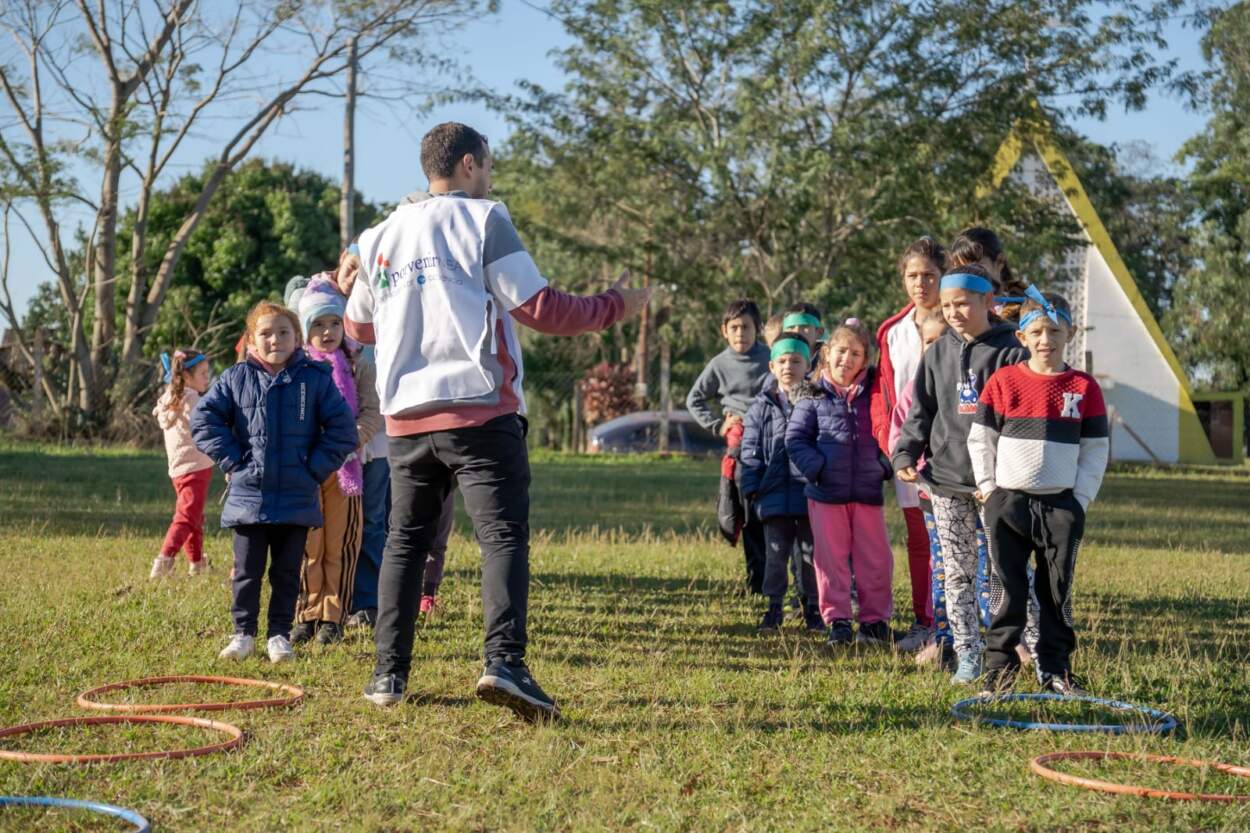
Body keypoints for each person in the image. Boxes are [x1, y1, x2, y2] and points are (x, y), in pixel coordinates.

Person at [342, 122, 650, 720]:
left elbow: (357, 329)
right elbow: (541, 307)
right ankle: (504, 662)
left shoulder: (380, 233)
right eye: (486, 165)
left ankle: (388, 674)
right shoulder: (484, 220)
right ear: (465, 165)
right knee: (502, 538)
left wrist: (416, 318)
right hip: (479, 406)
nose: (490, 177)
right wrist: (617, 306)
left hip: (407, 417)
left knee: (404, 543)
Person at [192, 300, 358, 663]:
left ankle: (279, 635)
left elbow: (343, 430)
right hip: (249, 496)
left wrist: (314, 468)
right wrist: (234, 460)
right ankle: (243, 634)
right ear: (251, 340)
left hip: (297, 497)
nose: (275, 340)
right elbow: (204, 422)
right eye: (265, 333)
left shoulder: (315, 378)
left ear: (297, 338)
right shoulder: (235, 378)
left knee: (287, 573)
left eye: (283, 332)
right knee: (247, 573)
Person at [892, 265, 1029, 684]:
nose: (952, 312)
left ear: (988, 301)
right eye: (946, 305)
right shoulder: (936, 354)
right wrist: (905, 453)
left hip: (998, 486)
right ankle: (967, 655)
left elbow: (1021, 419)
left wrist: (1009, 476)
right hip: (946, 482)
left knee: (1007, 572)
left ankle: (1026, 651)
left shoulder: (1012, 353)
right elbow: (921, 413)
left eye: (962, 303)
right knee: (957, 573)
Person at [969, 290, 1109, 695]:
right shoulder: (1005, 381)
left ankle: (1055, 671)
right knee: (1005, 590)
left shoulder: (1083, 387)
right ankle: (999, 670)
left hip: (1060, 506)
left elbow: (1095, 450)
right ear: (1021, 337)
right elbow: (981, 439)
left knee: (1056, 591)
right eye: (1036, 332)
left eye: (1054, 331)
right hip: (1008, 504)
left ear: (1070, 332)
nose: (1045, 339)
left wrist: (1078, 501)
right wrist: (989, 489)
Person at [786, 319, 895, 647]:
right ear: (827, 353)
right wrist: (818, 469)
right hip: (825, 494)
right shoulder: (813, 394)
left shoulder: (873, 395)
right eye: (841, 351)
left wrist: (883, 466)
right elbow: (795, 439)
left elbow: (888, 429)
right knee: (830, 560)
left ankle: (874, 622)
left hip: (867, 492)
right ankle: (839, 621)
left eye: (856, 354)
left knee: (875, 559)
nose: (847, 359)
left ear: (866, 360)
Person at [288, 275, 383, 646]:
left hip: (345, 468)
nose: (327, 331)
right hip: (305, 469)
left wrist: (345, 443)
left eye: (334, 323)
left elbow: (372, 414)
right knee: (307, 545)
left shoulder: (358, 364)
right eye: (317, 324)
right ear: (304, 330)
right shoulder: (297, 368)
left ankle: (333, 616)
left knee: (340, 543)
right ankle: (306, 613)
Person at [870, 236, 946, 652]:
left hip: (951, 453)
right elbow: (882, 395)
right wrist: (891, 444)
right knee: (919, 538)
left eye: (929, 275)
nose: (921, 283)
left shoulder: (957, 324)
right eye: (913, 275)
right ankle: (924, 622)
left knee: (955, 539)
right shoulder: (891, 331)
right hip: (907, 454)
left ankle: (958, 624)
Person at [739, 331, 822, 634]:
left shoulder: (816, 401)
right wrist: (751, 486)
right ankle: (773, 606)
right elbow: (750, 449)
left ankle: (812, 608)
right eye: (783, 361)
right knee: (776, 555)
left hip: (808, 494)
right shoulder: (761, 406)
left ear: (808, 365)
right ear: (772, 366)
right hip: (772, 496)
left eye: (796, 360)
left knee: (810, 558)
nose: (789, 366)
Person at [687, 299, 771, 593]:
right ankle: (756, 583)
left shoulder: (772, 358)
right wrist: (717, 425)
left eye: (746, 327)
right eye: (734, 328)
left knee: (774, 515)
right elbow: (694, 399)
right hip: (740, 451)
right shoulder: (719, 364)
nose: (740, 334)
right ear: (724, 331)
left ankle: (782, 582)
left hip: (772, 446)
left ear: (757, 329)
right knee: (748, 517)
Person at [150, 349, 215, 578]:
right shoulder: (193, 401)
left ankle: (197, 563)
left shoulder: (169, 398)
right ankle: (164, 560)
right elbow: (206, 426)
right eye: (203, 373)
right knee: (187, 517)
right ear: (187, 376)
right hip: (196, 467)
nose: (208, 377)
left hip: (178, 469)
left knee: (194, 516)